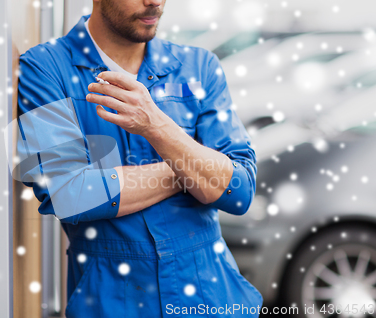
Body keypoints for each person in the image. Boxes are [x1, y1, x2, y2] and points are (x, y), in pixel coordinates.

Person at [16, 0, 263, 317]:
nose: (155, 2)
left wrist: (156, 126)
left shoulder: (199, 66)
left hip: (212, 298)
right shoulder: (45, 68)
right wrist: (188, 170)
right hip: (111, 300)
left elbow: (239, 191)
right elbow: (67, 193)